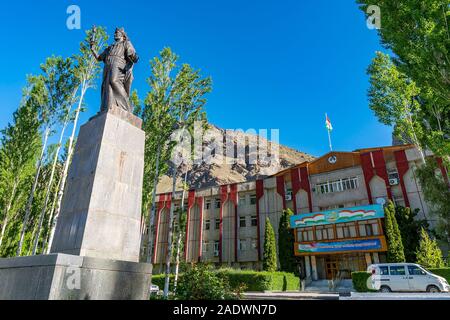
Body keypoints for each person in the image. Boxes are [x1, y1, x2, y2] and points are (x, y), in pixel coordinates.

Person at [90, 27, 139, 112]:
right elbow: (99, 58)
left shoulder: (126, 43)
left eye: (117, 32)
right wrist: (93, 48)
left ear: (122, 35)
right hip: (108, 66)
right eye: (115, 33)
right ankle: (108, 107)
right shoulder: (110, 47)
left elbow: (132, 53)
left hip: (118, 64)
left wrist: (134, 57)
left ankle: (127, 106)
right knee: (106, 86)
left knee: (114, 81)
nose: (115, 34)